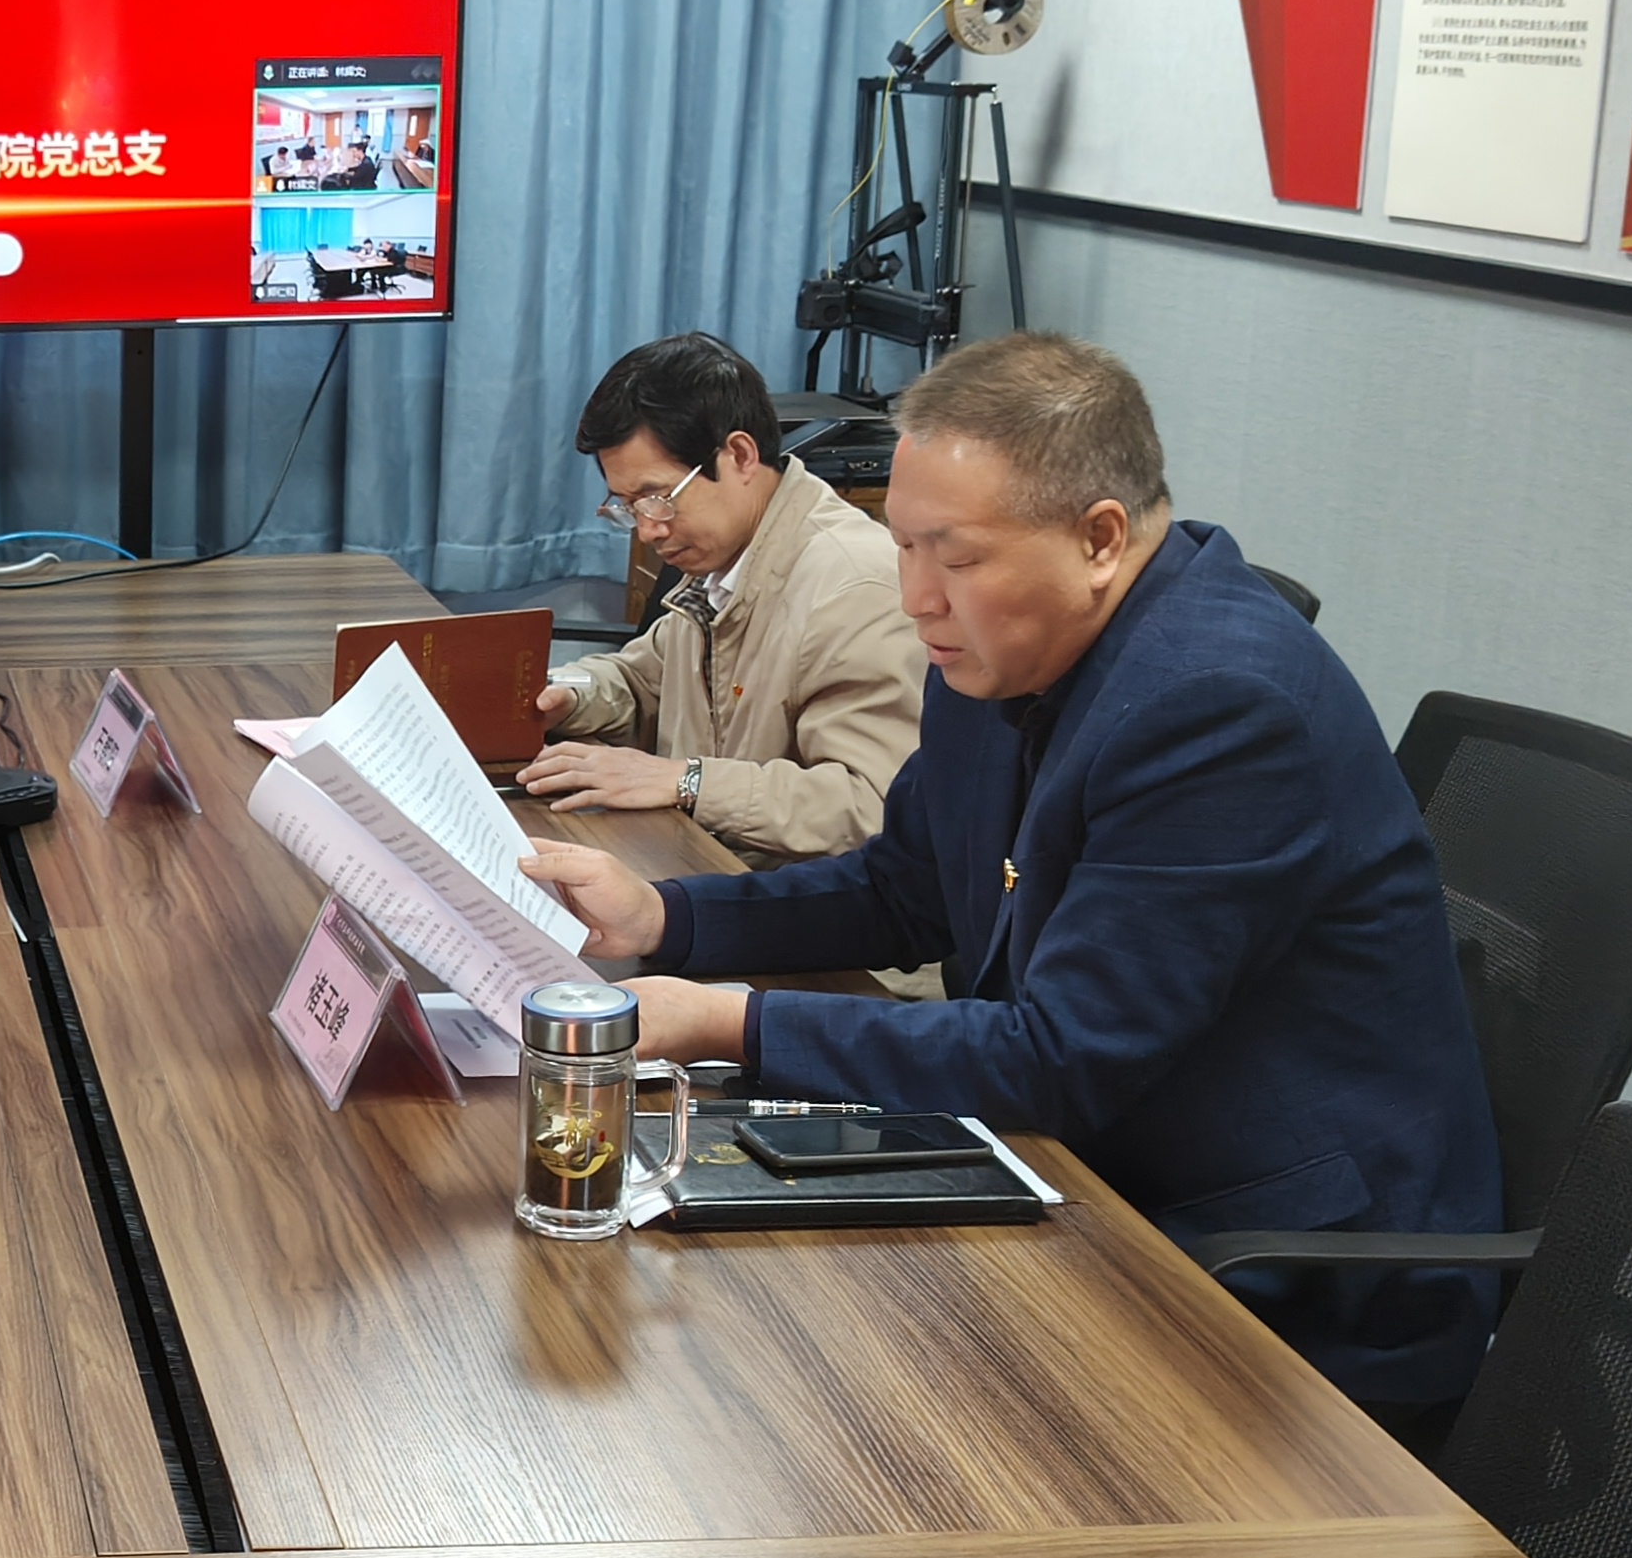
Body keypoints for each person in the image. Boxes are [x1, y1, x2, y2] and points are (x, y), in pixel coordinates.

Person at [517, 334, 1503, 1421]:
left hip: (1279, 1275)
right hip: (1092, 1172)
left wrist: (727, 1020)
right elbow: (905, 889)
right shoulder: (1003, 651)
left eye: (955, 557)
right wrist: (664, 916)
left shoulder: (1218, 708)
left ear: (1100, 539)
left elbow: (1063, 1055)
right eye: (903, 547)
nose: (916, 599)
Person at [517, 331, 925, 868]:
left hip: (795, 906)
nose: (648, 529)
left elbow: (868, 804)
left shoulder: (853, 588)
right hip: (701, 865)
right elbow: (640, 682)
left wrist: (687, 782)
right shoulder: (727, 562)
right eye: (628, 506)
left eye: (657, 498)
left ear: (740, 455)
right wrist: (562, 692)